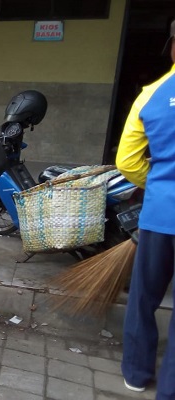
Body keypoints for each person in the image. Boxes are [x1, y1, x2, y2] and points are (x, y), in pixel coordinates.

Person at [116, 20, 175, 398]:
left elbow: (127, 161)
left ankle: (137, 374)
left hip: (159, 214)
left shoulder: (151, 95)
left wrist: (155, 184)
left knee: (143, 298)